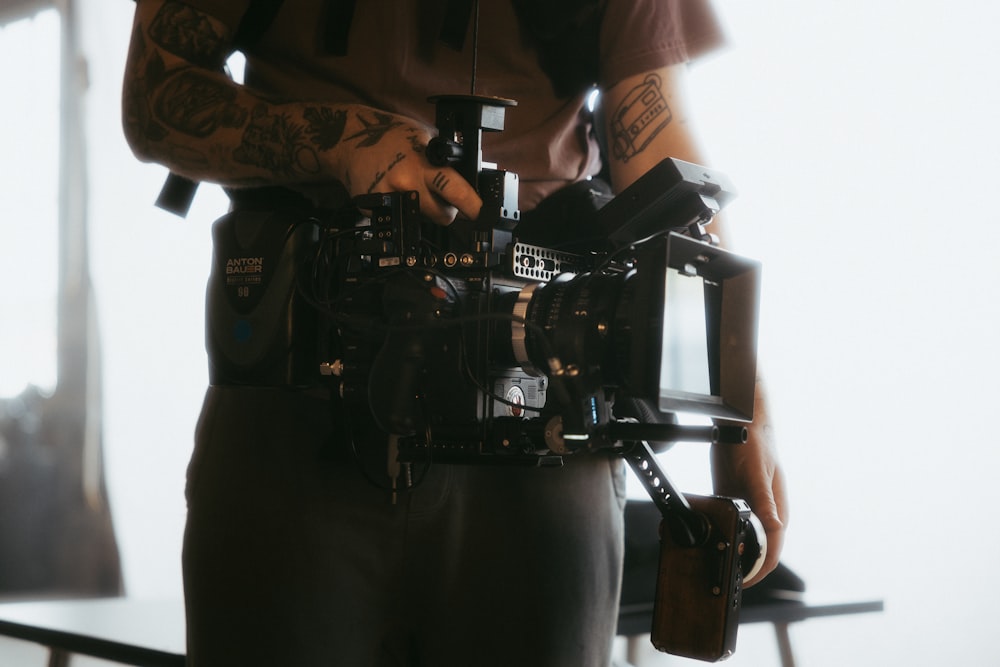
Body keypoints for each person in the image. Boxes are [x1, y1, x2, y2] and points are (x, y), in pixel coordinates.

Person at [122, 1, 788, 665]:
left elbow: (654, 140)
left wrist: (742, 403)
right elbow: (157, 94)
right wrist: (344, 140)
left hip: (548, 413)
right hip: (297, 405)